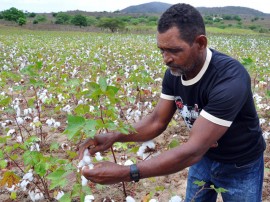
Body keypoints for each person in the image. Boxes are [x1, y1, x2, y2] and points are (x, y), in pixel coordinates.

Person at [79, 3, 266, 201]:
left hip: (240, 165)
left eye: (174, 50)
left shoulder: (230, 79)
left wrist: (127, 172)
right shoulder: (176, 73)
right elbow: (156, 121)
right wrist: (114, 136)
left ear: (201, 43)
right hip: (203, 160)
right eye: (162, 50)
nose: (166, 59)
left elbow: (193, 149)